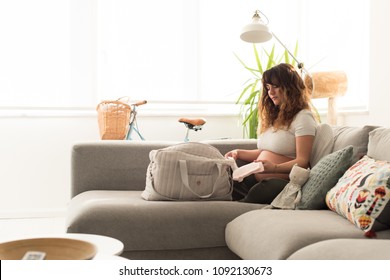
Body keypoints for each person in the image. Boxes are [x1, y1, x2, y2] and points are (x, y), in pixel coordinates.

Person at [225, 63, 318, 203]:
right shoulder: (274, 117)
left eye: (275, 86)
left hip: (282, 182)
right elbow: (264, 152)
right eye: (268, 88)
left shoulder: (303, 117)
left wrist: (274, 168)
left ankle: (239, 205)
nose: (270, 92)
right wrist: (238, 152)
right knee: (227, 179)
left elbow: (303, 162)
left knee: (262, 189)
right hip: (259, 176)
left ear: (289, 87)